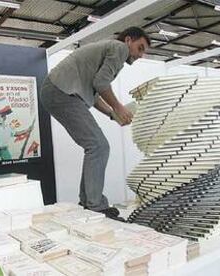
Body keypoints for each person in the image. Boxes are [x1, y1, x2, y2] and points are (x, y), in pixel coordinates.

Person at [40, 26, 150, 218]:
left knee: (96, 146)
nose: (141, 55)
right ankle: (95, 205)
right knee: (98, 146)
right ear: (128, 40)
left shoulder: (109, 50)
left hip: (57, 91)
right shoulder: (119, 49)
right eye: (140, 48)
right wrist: (119, 107)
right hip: (61, 92)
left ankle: (88, 202)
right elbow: (101, 84)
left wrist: (111, 114)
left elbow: (96, 91)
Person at [0, 93, 34, 161]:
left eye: (1, 117)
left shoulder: (8, 128)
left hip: (5, 150)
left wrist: (28, 129)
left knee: (9, 163)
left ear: (4, 118)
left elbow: (17, 133)